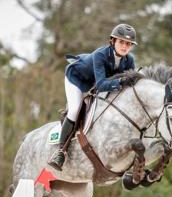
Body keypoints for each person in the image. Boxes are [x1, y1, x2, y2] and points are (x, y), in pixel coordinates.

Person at [48, 23, 138, 171]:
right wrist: (122, 81)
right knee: (75, 109)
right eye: (121, 42)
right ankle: (60, 152)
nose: (124, 46)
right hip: (77, 78)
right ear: (113, 41)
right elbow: (102, 84)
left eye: (128, 44)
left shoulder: (130, 60)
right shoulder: (100, 55)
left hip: (94, 82)